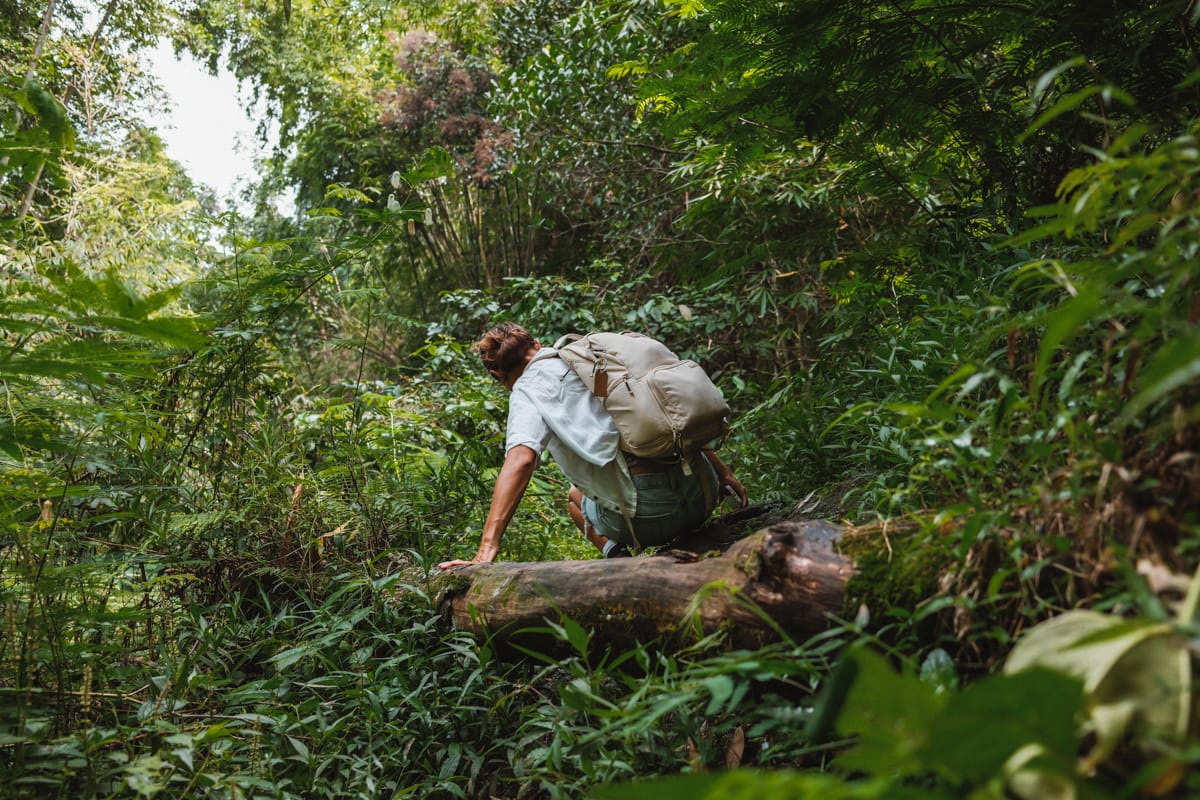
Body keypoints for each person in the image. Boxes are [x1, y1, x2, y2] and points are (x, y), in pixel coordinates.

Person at [438, 322, 747, 570]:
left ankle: (619, 563)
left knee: (574, 500)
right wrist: (724, 473)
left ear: (498, 375)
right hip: (703, 494)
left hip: (652, 516)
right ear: (537, 345)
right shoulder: (590, 358)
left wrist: (486, 550)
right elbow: (669, 417)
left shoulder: (526, 389)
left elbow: (521, 460)